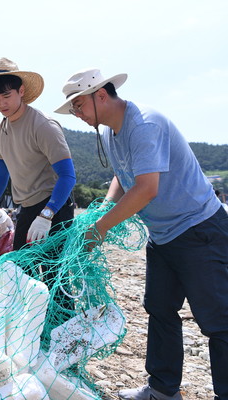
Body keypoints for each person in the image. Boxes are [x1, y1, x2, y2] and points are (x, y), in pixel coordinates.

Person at [56, 68, 228, 400]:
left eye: (78, 105)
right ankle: (163, 390)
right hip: (163, 236)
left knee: (218, 322)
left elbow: (147, 188)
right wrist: (105, 207)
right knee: (160, 308)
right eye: (73, 108)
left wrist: (100, 229)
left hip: (199, 229)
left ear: (101, 95)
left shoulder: (145, 124)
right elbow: (125, 176)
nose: (76, 113)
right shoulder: (109, 131)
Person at [0, 57, 76, 250]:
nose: (1, 104)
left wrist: (47, 215)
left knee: (54, 274)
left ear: (21, 91)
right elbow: (1, 174)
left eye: (6, 96)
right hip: (26, 206)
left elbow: (68, 176)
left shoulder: (42, 125)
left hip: (55, 205)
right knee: (21, 269)